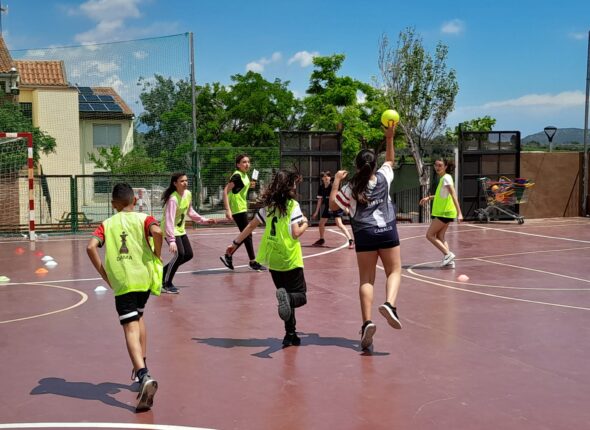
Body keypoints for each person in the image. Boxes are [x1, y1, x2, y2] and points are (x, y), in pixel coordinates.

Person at [86, 183, 162, 412]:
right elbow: (158, 232)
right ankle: (143, 362)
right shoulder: (144, 218)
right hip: (144, 279)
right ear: (135, 201)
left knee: (129, 327)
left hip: (123, 281)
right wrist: (157, 254)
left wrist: (103, 273)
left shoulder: (107, 224)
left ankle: (142, 375)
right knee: (139, 318)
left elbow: (91, 247)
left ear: (113, 205)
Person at [330, 123, 402, 351]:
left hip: (364, 234)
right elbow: (390, 161)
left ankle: (367, 323)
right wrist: (389, 138)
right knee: (394, 271)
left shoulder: (351, 187)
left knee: (366, 280)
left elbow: (333, 206)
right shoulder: (382, 177)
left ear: (357, 166)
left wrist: (335, 182)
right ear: (373, 165)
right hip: (387, 230)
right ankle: (390, 304)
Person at [225, 169, 309, 347]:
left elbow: (249, 227)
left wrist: (234, 243)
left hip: (274, 259)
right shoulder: (293, 205)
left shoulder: (267, 207)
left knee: (285, 298)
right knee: (299, 296)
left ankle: (290, 334)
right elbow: (295, 233)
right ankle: (288, 305)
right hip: (290, 257)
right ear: (288, 186)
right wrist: (305, 223)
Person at [161, 173, 216, 294]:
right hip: (170, 230)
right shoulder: (173, 199)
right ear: (175, 183)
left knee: (188, 254)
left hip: (180, 229)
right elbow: (169, 220)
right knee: (180, 254)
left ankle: (162, 273)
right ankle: (166, 283)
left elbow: (190, 212)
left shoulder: (188, 194)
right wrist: (171, 240)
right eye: (182, 181)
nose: (185, 183)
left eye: (186, 180)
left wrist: (204, 220)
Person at [220, 154, 266, 271]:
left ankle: (229, 255)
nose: (247, 164)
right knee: (247, 234)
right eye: (244, 162)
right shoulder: (237, 175)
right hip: (237, 209)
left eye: (248, 162)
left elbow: (239, 189)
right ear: (238, 164)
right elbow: (225, 191)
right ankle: (252, 261)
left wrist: (251, 185)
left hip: (241, 207)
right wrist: (227, 209)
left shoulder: (245, 176)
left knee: (246, 234)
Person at [419, 157, 463, 268]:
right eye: (436, 165)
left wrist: (460, 213)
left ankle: (448, 254)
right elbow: (441, 196)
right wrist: (428, 198)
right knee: (440, 236)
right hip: (446, 213)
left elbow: (453, 195)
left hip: (444, 212)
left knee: (429, 235)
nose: (437, 167)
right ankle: (450, 261)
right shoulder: (444, 178)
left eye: (440, 165)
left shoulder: (446, 178)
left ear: (445, 167)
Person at [311, 171, 354, 249]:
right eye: (324, 176)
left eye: (328, 176)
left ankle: (350, 240)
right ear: (322, 178)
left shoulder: (333, 186)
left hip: (335, 206)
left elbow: (340, 197)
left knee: (339, 223)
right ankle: (321, 239)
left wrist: (345, 207)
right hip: (328, 206)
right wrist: (316, 212)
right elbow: (320, 200)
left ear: (330, 178)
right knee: (321, 223)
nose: (326, 178)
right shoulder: (321, 187)